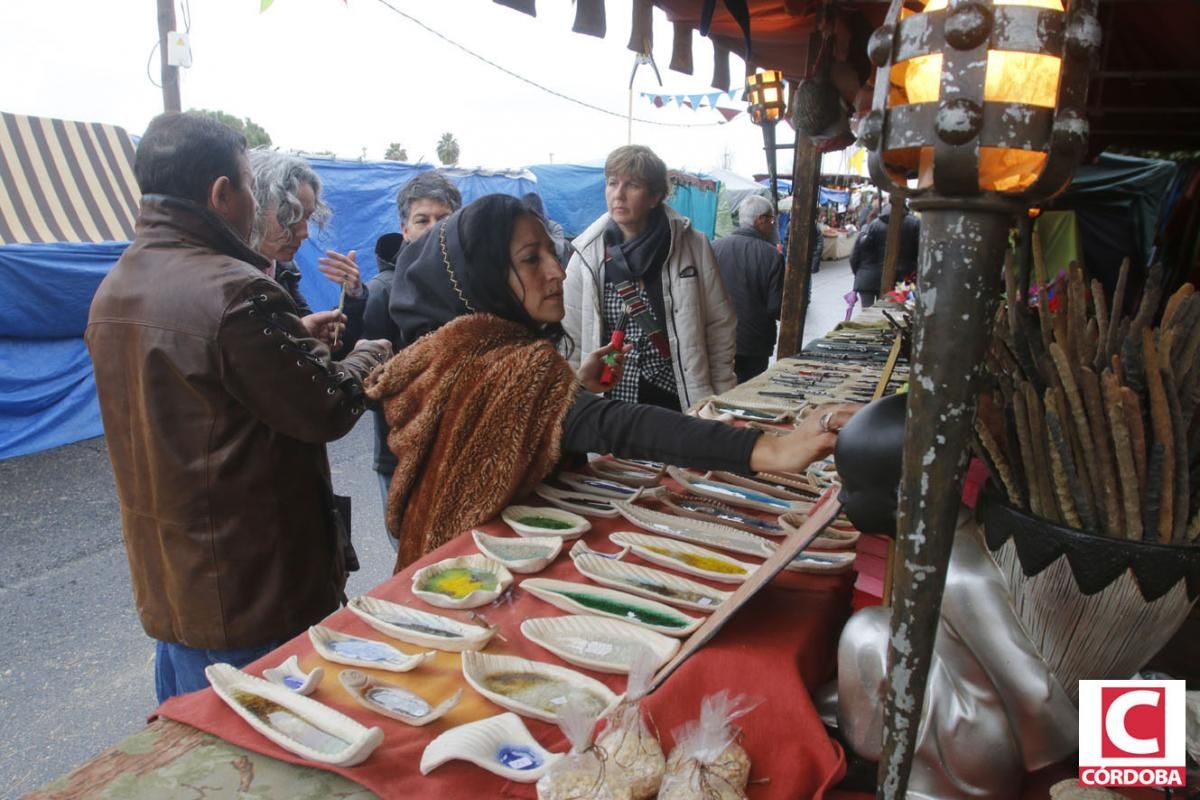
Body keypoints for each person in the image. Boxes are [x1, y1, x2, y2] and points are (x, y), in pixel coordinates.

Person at [369, 193, 855, 568]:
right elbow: (626, 427)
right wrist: (770, 449)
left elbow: (517, 419)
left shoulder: (447, 355)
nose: (557, 272)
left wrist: (569, 391)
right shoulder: (508, 366)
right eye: (530, 259)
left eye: (551, 254)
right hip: (477, 576)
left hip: (433, 565)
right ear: (482, 278)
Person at [85, 112, 393, 703]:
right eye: (252, 186)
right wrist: (368, 354)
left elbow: (202, 392)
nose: (257, 202)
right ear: (222, 193)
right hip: (254, 597)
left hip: (177, 590)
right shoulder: (236, 291)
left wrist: (292, 336)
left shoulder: (118, 285)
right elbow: (325, 407)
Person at [833, 393, 1077, 799]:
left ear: (903, 497)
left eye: (851, 487)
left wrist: (1060, 753)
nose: (841, 501)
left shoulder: (958, 572)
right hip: (962, 722)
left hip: (973, 759)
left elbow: (1035, 687)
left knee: (868, 631)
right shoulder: (940, 546)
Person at [563, 145, 737, 412]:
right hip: (612, 399)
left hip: (676, 394)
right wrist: (573, 402)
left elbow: (720, 326)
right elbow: (571, 335)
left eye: (632, 185)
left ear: (655, 196)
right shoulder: (587, 255)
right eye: (612, 183)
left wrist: (721, 397)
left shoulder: (691, 246)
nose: (618, 195)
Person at [362, 171, 462, 550]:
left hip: (459, 455)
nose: (434, 228)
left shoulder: (472, 288)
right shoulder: (381, 295)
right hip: (400, 460)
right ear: (405, 228)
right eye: (423, 220)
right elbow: (370, 388)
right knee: (414, 566)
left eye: (444, 218)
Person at [248, 150, 365, 355]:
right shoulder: (223, 281)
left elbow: (309, 334)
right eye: (291, 217)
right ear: (253, 209)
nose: (304, 233)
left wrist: (352, 298)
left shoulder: (283, 271)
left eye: (307, 218)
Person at [712, 195, 783, 384]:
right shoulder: (772, 256)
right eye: (772, 220)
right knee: (748, 396)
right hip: (755, 344)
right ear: (761, 219)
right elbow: (776, 307)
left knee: (720, 394)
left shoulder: (714, 248)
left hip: (718, 339)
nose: (773, 225)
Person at [849, 199, 919, 308]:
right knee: (892, 312)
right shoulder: (914, 223)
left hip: (868, 279)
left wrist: (858, 273)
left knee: (868, 315)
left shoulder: (872, 226)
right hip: (903, 279)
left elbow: (856, 255)